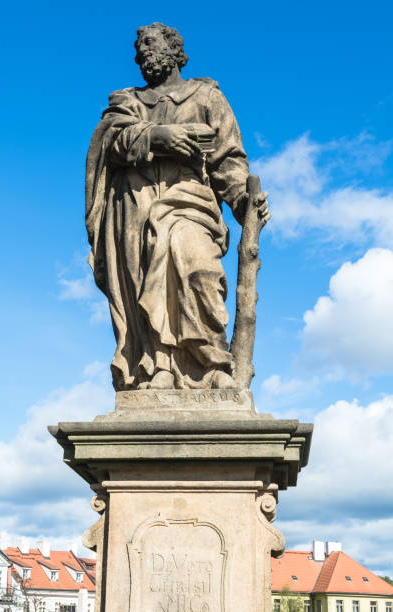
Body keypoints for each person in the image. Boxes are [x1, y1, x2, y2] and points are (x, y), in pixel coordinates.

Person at [86, 22, 269, 391]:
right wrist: (158, 136)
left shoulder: (205, 97)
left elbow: (228, 160)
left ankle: (211, 365)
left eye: (150, 43)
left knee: (198, 268)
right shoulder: (128, 102)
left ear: (174, 49)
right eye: (138, 47)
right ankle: (157, 368)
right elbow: (107, 144)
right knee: (143, 287)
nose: (141, 52)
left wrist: (242, 200)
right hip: (135, 206)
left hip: (190, 201)